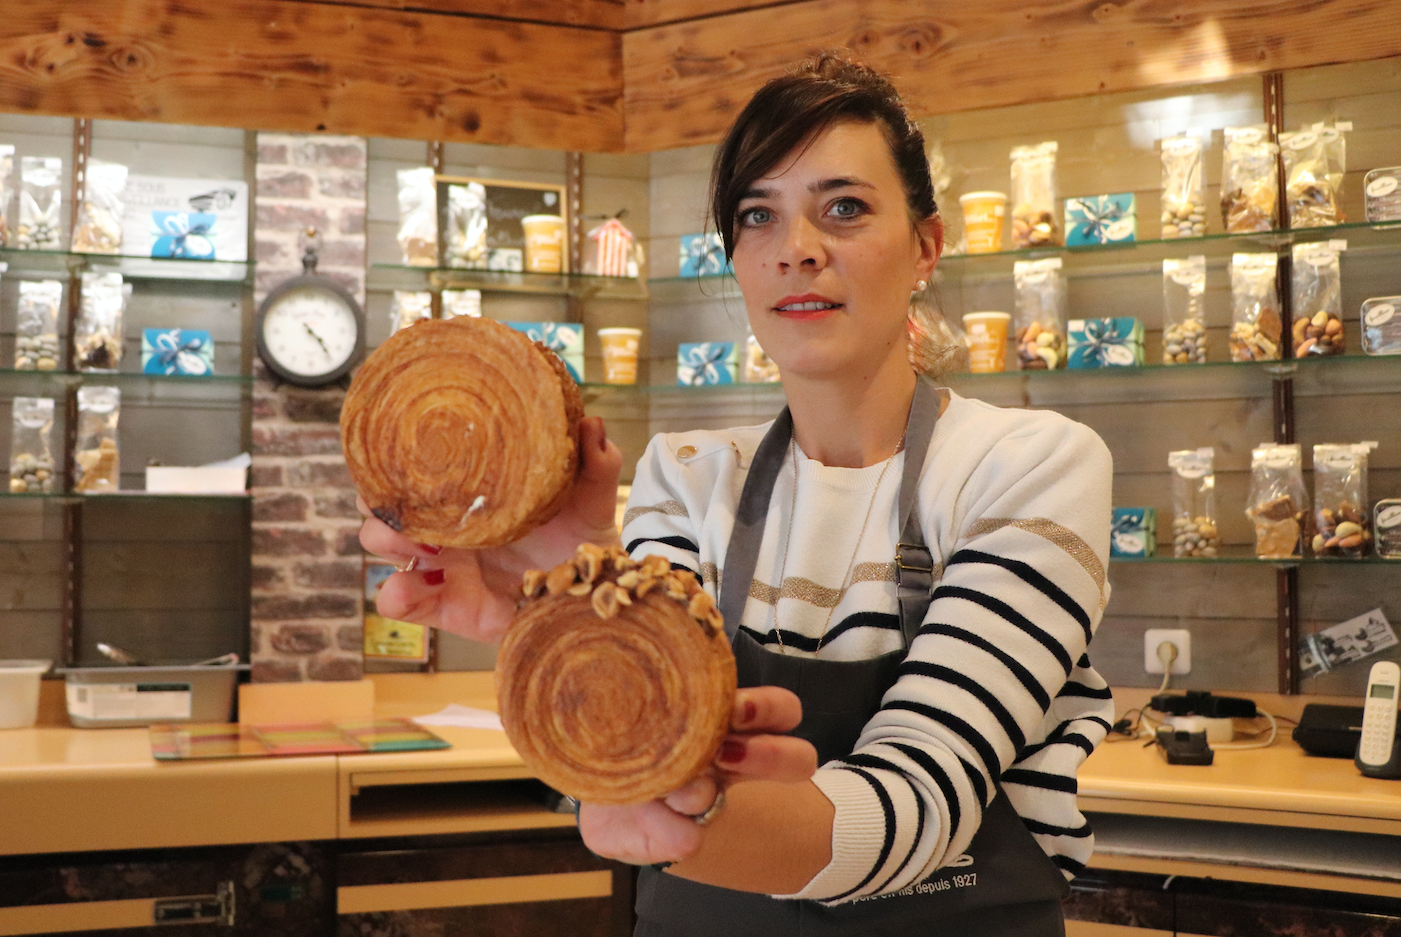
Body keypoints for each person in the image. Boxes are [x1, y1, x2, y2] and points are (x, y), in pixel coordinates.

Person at [360, 52, 1115, 937]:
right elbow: (649, 734)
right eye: (758, 215)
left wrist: (688, 823)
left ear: (925, 246)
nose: (796, 247)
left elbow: (923, 792)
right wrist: (562, 615)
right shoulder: (687, 475)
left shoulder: (1024, 465)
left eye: (844, 207)